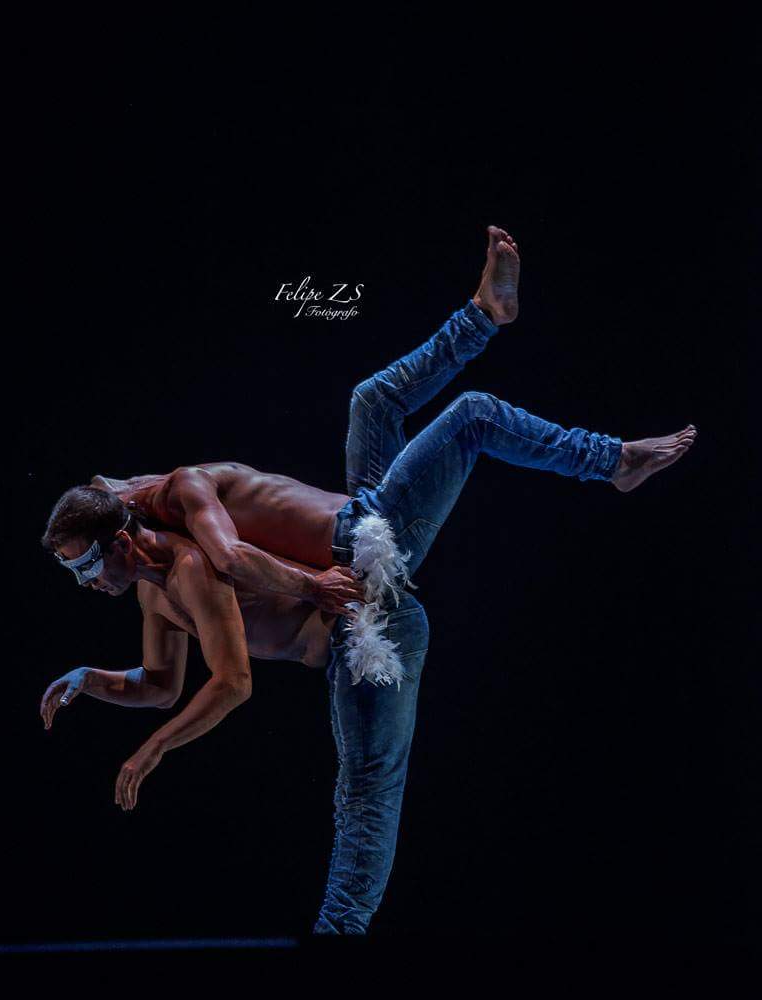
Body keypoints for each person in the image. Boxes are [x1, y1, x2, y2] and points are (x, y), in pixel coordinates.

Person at [40, 225, 696, 933]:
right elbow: (160, 684)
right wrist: (89, 677)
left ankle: (580, 424)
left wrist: (307, 587)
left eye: (86, 565)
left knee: (420, 407)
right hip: (361, 615)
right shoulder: (157, 583)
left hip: (367, 537)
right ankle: (339, 934)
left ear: (124, 532)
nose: (84, 583)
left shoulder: (184, 501)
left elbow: (226, 590)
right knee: (366, 790)